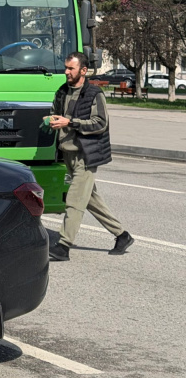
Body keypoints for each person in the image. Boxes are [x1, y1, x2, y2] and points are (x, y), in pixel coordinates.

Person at [47, 51, 133, 261]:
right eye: (66, 67)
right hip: (67, 154)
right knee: (90, 199)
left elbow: (100, 123)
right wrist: (51, 119)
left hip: (85, 155)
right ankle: (122, 235)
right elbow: (55, 112)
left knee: (75, 200)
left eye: (71, 68)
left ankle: (64, 245)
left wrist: (70, 122)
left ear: (83, 70)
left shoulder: (94, 94)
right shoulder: (62, 91)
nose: (66, 72)